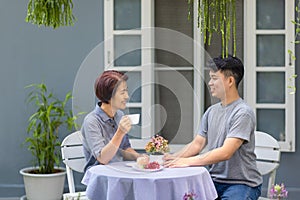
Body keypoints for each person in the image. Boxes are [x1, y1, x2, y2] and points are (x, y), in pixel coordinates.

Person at [164, 55, 263, 199]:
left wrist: (186, 162)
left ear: (230, 81)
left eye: (214, 78)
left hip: (241, 184)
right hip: (212, 181)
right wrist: (173, 159)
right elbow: (197, 144)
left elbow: (225, 152)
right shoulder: (211, 111)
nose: (210, 83)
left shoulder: (243, 113)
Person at [81, 70, 141, 171]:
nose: (127, 96)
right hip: (100, 176)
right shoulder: (91, 121)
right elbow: (102, 159)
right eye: (122, 92)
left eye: (126, 91)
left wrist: (138, 156)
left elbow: (125, 148)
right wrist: (120, 132)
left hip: (119, 171)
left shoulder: (119, 115)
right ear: (109, 96)